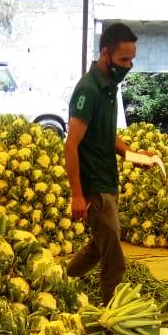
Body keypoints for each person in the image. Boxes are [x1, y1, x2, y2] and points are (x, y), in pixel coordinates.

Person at [64, 22, 138, 303]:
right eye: (123, 60)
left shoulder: (109, 87)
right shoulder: (89, 90)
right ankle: (112, 313)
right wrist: (77, 195)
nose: (128, 65)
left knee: (99, 244)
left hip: (109, 179)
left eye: (131, 60)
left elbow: (106, 134)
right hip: (94, 184)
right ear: (105, 53)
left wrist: (128, 153)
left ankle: (63, 278)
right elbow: (71, 144)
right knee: (114, 257)